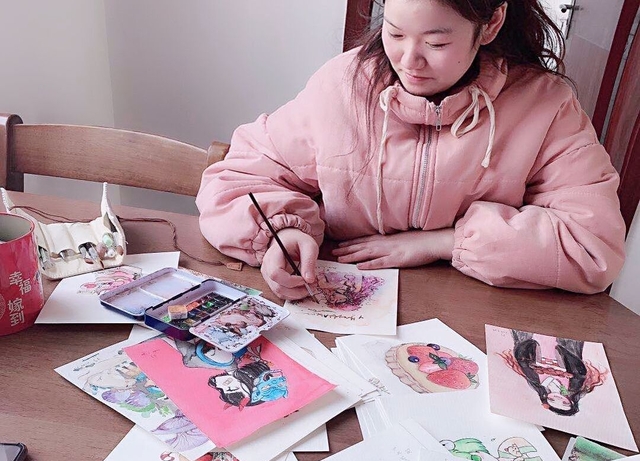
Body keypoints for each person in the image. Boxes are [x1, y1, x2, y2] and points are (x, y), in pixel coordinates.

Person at [197, 0, 626, 300]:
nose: (408, 60)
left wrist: (444, 243)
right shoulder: (344, 84)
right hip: (341, 304)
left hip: (476, 311)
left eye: (436, 43)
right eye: (395, 32)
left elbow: (593, 246)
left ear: (491, 23)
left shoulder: (545, 106)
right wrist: (282, 232)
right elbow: (239, 176)